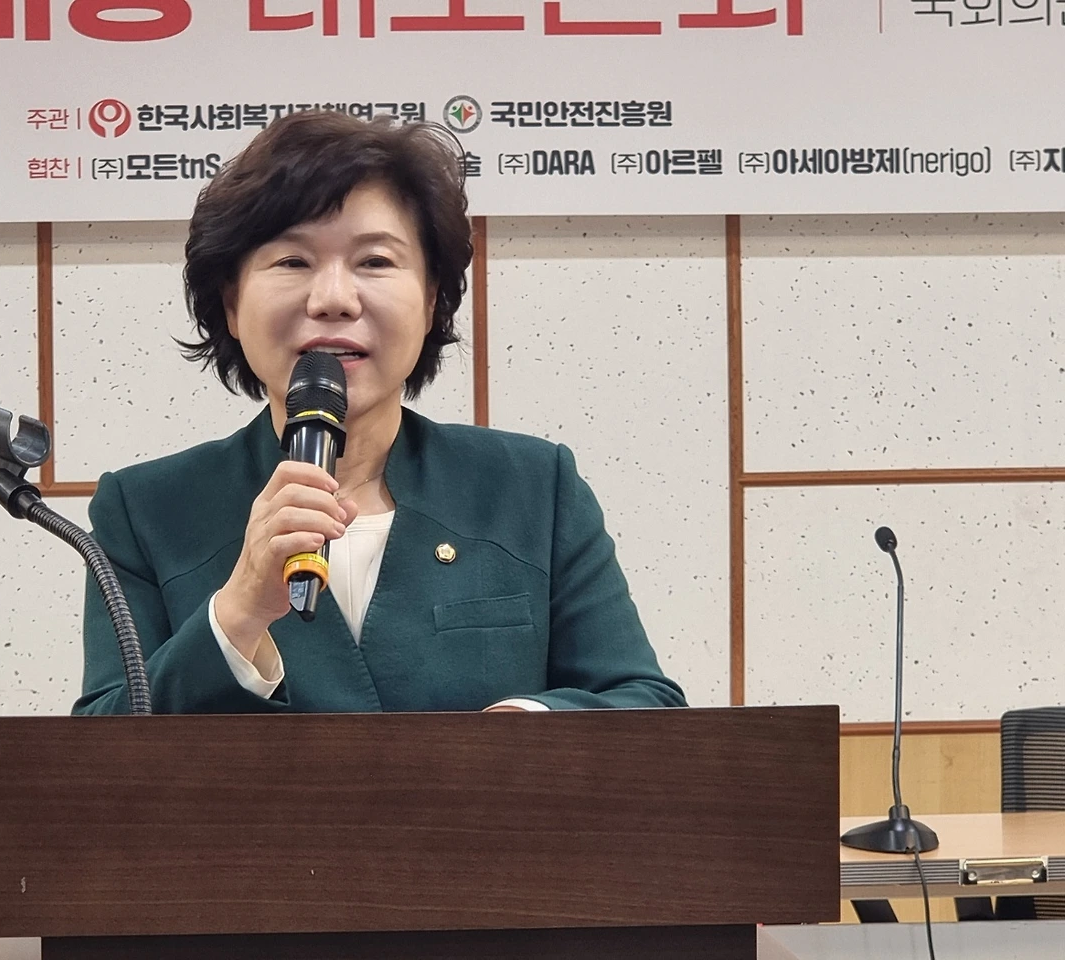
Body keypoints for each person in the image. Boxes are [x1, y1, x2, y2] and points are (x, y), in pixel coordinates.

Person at [72, 110, 685, 715]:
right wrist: (237, 615)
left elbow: (644, 702)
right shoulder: (146, 509)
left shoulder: (531, 487)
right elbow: (97, 747)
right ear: (231, 305)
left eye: (375, 262)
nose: (333, 299)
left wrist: (524, 731)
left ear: (432, 300)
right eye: (292, 262)